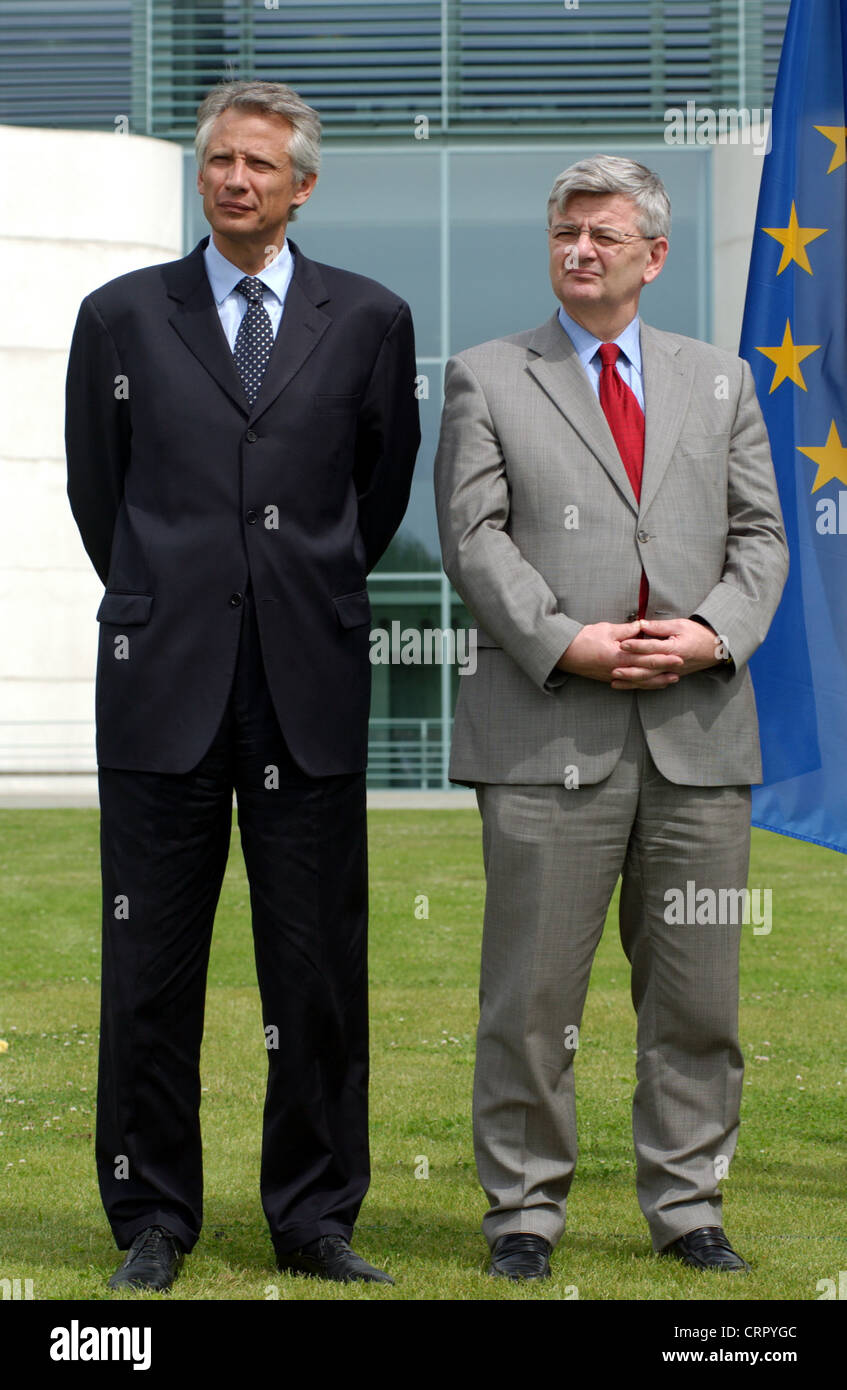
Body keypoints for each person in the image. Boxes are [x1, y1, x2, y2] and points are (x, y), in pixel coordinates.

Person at [66, 79, 419, 1292]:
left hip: (304, 687)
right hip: (161, 682)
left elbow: (370, 501)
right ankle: (151, 1218)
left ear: (302, 184)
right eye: (218, 158)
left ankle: (315, 1217)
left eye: (260, 164)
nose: (234, 178)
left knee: (315, 968)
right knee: (148, 963)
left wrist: (285, 596)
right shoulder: (121, 317)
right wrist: (181, 595)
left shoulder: (369, 319)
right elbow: (98, 499)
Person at [434, 155, 787, 1281]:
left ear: (654, 255)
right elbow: (472, 539)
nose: (579, 250)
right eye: (565, 234)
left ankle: (688, 1205)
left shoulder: (722, 380)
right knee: (532, 999)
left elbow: (762, 539)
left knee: (698, 993)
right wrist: (564, 641)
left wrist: (712, 632)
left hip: (701, 738)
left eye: (602, 235)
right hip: (547, 735)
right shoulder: (487, 376)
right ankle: (524, 1216)